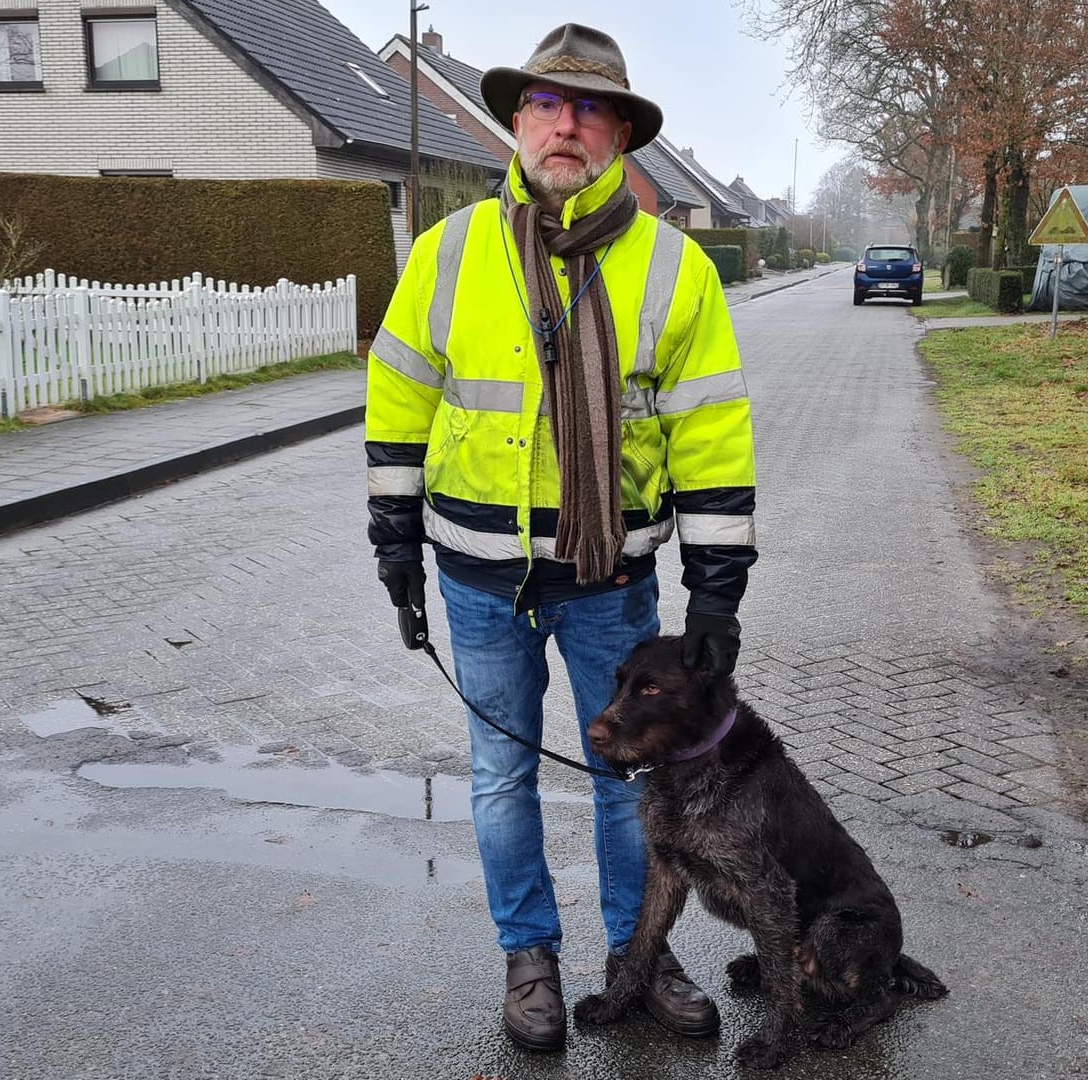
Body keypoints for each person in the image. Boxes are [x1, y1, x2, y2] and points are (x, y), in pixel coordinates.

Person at [364, 22, 757, 1053]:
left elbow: (710, 431)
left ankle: (640, 954)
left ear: (621, 133)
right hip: (479, 577)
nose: (566, 124)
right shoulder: (447, 254)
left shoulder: (675, 270)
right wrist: (394, 543)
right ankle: (527, 956)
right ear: (516, 120)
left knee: (635, 777)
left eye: (589, 107)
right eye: (547, 103)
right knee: (500, 778)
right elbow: (400, 400)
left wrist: (716, 590)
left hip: (611, 586)